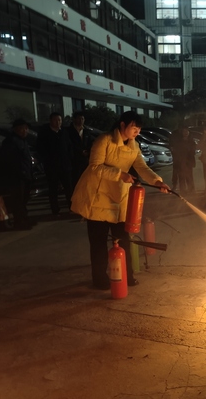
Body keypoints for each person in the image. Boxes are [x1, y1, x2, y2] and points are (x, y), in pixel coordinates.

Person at [71, 111, 170, 291]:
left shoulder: (134, 145)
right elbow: (94, 167)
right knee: (99, 243)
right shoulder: (104, 140)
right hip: (98, 198)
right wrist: (120, 174)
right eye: (134, 127)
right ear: (122, 125)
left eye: (139, 128)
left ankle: (127, 276)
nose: (137, 131)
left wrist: (157, 181)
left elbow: (142, 167)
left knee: (124, 240)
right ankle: (100, 279)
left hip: (118, 197)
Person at [0, 118, 35, 230]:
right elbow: (8, 160)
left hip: (25, 176)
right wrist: (19, 172)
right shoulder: (11, 142)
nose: (25, 131)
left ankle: (23, 220)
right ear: (16, 129)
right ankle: (19, 222)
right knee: (18, 201)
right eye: (23, 128)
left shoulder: (22, 141)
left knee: (23, 200)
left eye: (26, 128)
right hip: (16, 177)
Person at [37, 112, 74, 215]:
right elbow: (40, 149)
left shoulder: (64, 132)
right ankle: (55, 209)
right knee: (53, 189)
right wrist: (47, 161)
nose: (58, 122)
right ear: (50, 121)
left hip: (65, 166)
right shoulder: (45, 134)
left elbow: (69, 146)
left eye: (59, 120)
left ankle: (71, 207)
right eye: (55, 120)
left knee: (69, 188)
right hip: (52, 167)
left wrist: (69, 159)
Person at [66, 111, 93, 186]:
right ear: (74, 119)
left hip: (85, 160)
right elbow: (69, 144)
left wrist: (88, 151)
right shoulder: (68, 131)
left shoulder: (86, 131)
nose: (81, 121)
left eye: (82, 119)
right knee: (75, 181)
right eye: (79, 119)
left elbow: (90, 142)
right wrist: (80, 151)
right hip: (73, 160)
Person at [171, 126, 196, 193]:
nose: (186, 133)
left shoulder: (191, 141)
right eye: (184, 131)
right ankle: (183, 190)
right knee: (181, 177)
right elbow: (176, 151)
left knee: (189, 176)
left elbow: (193, 151)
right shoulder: (179, 141)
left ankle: (191, 189)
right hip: (181, 162)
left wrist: (189, 150)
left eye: (187, 131)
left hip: (189, 162)